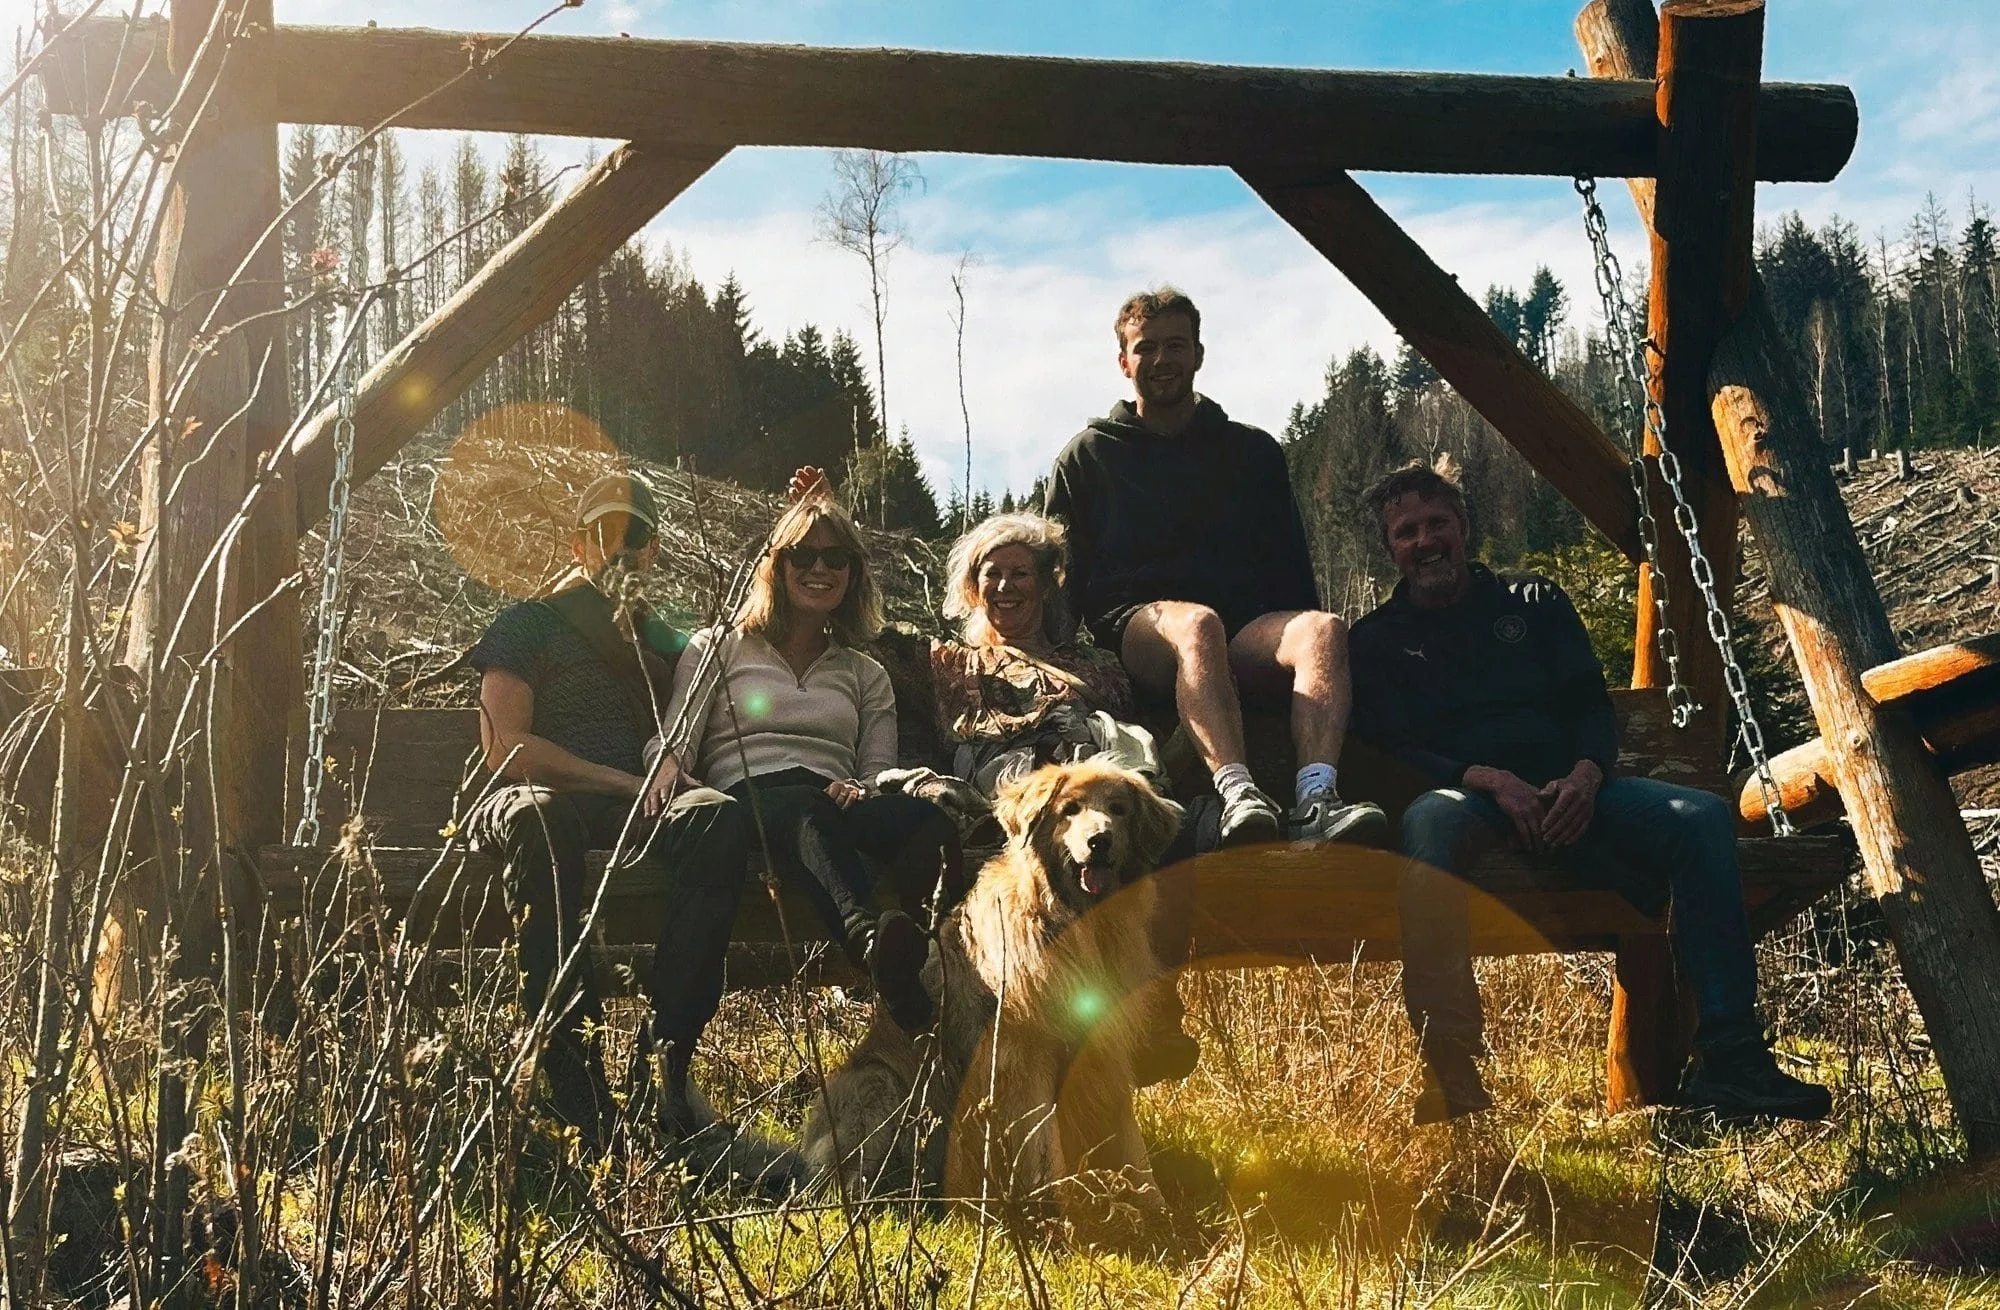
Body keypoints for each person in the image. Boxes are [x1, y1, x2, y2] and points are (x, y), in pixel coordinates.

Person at [1348, 456, 1833, 1125]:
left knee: (1698, 817)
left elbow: (1589, 708)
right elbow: (1389, 752)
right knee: (1429, 822)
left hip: (1571, 792)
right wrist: (1485, 779)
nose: (1425, 541)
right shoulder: (1376, 640)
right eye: (1407, 532)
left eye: (1437, 523)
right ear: (1390, 549)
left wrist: (1585, 775)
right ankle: (1450, 1064)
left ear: (1463, 526)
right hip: (1465, 800)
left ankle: (1732, 1057)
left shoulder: (1533, 603)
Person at [465, 472, 752, 1153]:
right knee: (543, 818)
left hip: (632, 809)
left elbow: (751, 644)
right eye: (602, 532)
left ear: (653, 550)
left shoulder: (669, 645)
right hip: (533, 803)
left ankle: (664, 1069)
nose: (619, 547)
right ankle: (575, 1088)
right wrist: (620, 781)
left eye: (635, 534)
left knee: (716, 817)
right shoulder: (529, 623)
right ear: (578, 544)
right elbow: (505, 748)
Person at [1044, 287, 1387, 849]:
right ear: (1124, 361)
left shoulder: (1252, 452)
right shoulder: (1089, 456)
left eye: (1176, 345)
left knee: (1323, 629)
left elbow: (1290, 564)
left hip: (1245, 632)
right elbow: (1061, 576)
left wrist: (1296, 654)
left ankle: (1317, 797)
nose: (1162, 359)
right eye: (1146, 347)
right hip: (1142, 632)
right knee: (1198, 626)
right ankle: (1238, 792)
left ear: (1198, 354)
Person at [661, 486, 959, 1034]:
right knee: (804, 804)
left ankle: (937, 972)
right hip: (747, 799)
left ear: (853, 574)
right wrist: (667, 767)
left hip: (833, 801)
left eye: (835, 558)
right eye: (803, 555)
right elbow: (677, 737)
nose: (819, 568)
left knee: (925, 821)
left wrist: (862, 789)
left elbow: (877, 771)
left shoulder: (865, 673)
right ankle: (869, 942)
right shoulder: (720, 646)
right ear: (777, 566)